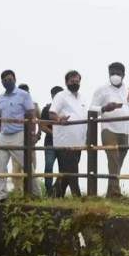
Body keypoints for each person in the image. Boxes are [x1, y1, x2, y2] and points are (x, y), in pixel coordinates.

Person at [0, 69, 41, 201]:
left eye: (10, 80)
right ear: (2, 82)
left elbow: (31, 114)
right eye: (5, 80)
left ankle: (36, 193)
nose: (8, 82)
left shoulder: (23, 95)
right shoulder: (1, 97)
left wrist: (32, 133)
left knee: (26, 165)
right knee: (0, 166)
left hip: (19, 133)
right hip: (4, 135)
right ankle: (1, 195)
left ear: (15, 80)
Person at [91, 62, 129, 199]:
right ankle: (115, 193)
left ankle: (110, 193)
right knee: (114, 159)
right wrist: (104, 108)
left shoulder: (127, 90)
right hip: (108, 128)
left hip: (124, 130)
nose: (115, 76)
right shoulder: (101, 90)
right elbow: (91, 108)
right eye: (112, 73)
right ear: (108, 74)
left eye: (118, 73)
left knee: (118, 163)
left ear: (123, 74)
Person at [50, 70, 87, 198]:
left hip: (78, 141)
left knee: (67, 171)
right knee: (72, 170)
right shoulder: (61, 96)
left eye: (77, 81)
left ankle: (55, 194)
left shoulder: (81, 97)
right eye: (72, 81)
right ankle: (77, 196)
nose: (75, 84)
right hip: (65, 141)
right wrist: (59, 118)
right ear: (66, 82)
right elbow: (52, 113)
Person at [11, 83, 41, 187]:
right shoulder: (13, 105)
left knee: (31, 164)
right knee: (16, 167)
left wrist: (38, 134)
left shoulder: (34, 105)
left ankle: (30, 190)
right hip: (16, 138)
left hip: (30, 139)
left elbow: (41, 120)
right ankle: (18, 191)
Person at [39, 85, 63, 196]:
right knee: (49, 165)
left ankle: (59, 191)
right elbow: (42, 126)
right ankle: (49, 191)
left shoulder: (67, 109)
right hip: (50, 142)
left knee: (64, 168)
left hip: (65, 142)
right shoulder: (47, 109)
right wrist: (55, 133)